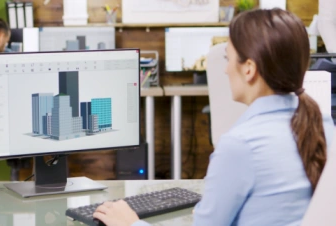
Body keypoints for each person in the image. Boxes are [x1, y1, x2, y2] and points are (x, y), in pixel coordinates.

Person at [92, 8, 335, 226]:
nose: (225, 69)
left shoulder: (241, 145)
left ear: (249, 69)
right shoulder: (324, 125)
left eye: (228, 58)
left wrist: (130, 224)